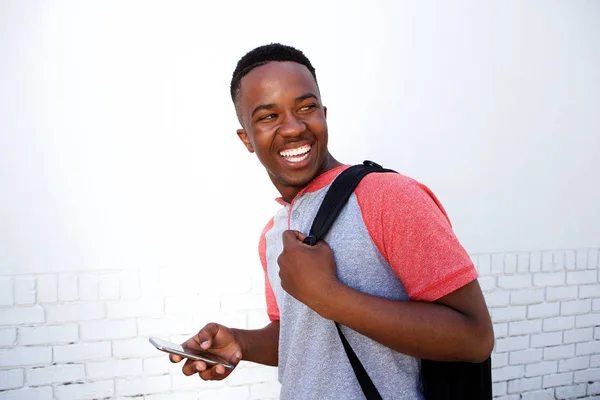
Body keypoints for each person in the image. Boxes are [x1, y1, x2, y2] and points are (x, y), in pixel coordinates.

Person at [170, 43, 494, 399]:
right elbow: (300, 338)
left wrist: (329, 296)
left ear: (323, 113)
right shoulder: (274, 233)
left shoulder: (389, 197)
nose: (293, 128)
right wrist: (241, 343)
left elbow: (474, 338)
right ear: (246, 138)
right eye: (268, 116)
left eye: (305, 108)